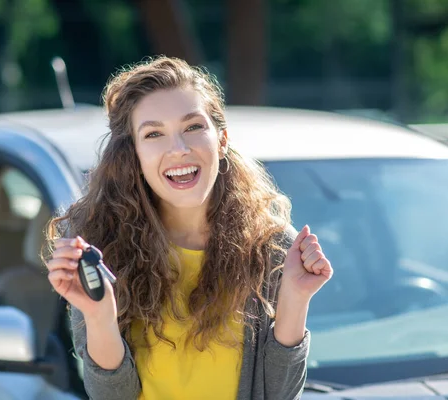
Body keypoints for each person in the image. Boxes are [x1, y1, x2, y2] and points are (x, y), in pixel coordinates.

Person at [44, 56, 333, 400]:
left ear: (222, 139)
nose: (178, 149)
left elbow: (278, 395)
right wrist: (99, 316)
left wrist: (296, 299)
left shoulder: (271, 247)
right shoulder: (97, 248)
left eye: (193, 127)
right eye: (153, 134)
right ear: (133, 154)